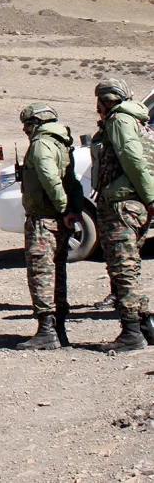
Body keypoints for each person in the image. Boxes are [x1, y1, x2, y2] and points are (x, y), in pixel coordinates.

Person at [91, 79, 154, 351]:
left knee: (123, 268)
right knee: (129, 266)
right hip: (130, 202)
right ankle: (144, 326)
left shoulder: (119, 120)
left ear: (108, 100)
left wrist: (150, 196)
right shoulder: (136, 120)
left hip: (122, 204)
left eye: (99, 101)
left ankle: (131, 333)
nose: (97, 109)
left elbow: (132, 157)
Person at [16, 104, 84, 350]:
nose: (24, 129)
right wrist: (71, 209)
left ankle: (47, 330)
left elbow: (50, 178)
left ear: (36, 122)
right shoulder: (62, 143)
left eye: (26, 123)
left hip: (44, 219)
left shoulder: (41, 144)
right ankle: (59, 329)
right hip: (58, 218)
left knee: (41, 274)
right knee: (58, 274)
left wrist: (64, 208)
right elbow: (72, 181)